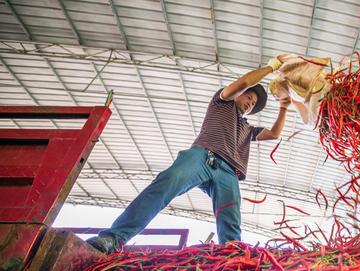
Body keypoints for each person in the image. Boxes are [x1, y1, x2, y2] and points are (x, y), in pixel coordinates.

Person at [86, 57, 289, 253]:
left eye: (253, 104)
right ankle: (114, 238)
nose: (250, 103)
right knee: (166, 184)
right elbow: (245, 81)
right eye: (248, 97)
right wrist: (271, 67)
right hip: (202, 157)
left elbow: (274, 134)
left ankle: (233, 261)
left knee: (231, 219)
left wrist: (283, 107)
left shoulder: (247, 129)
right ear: (240, 93)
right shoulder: (222, 102)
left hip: (229, 173)